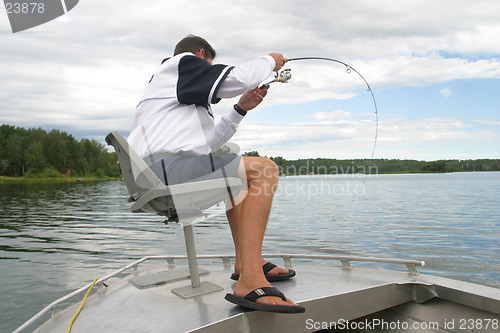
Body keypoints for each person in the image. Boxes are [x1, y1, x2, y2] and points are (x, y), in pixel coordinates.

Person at [128, 35, 304, 313]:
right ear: (201, 55)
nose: (205, 72)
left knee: (240, 179)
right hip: (163, 169)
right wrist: (271, 61)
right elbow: (233, 80)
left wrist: (240, 108)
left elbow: (207, 145)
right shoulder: (180, 64)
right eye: (207, 65)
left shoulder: (177, 97)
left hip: (166, 168)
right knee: (265, 169)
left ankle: (247, 263)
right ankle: (249, 280)